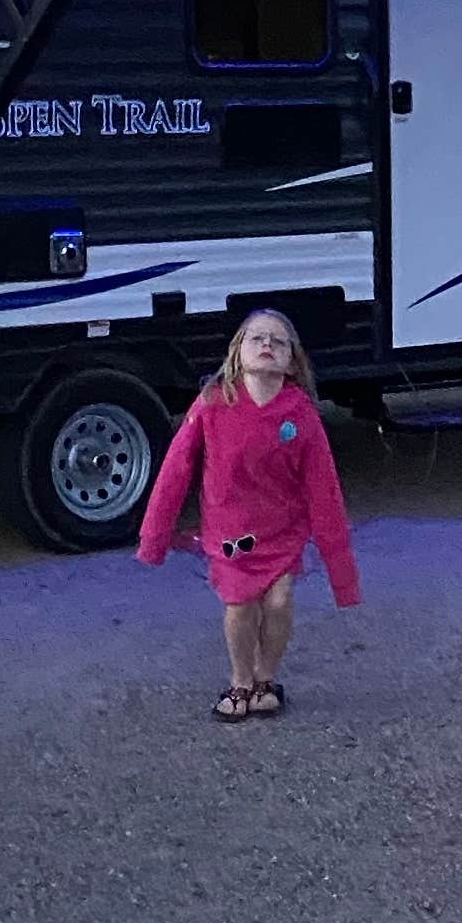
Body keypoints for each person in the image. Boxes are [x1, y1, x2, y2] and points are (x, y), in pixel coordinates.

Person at [137, 307, 362, 720]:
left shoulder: (301, 415)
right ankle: (240, 680)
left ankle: (265, 678)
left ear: (292, 361)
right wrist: (154, 537)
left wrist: (342, 574)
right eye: (256, 338)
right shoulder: (212, 403)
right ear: (237, 352)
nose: (267, 345)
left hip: (283, 530)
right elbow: (175, 470)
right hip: (231, 531)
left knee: (278, 601)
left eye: (278, 342)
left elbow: (324, 490)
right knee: (240, 605)